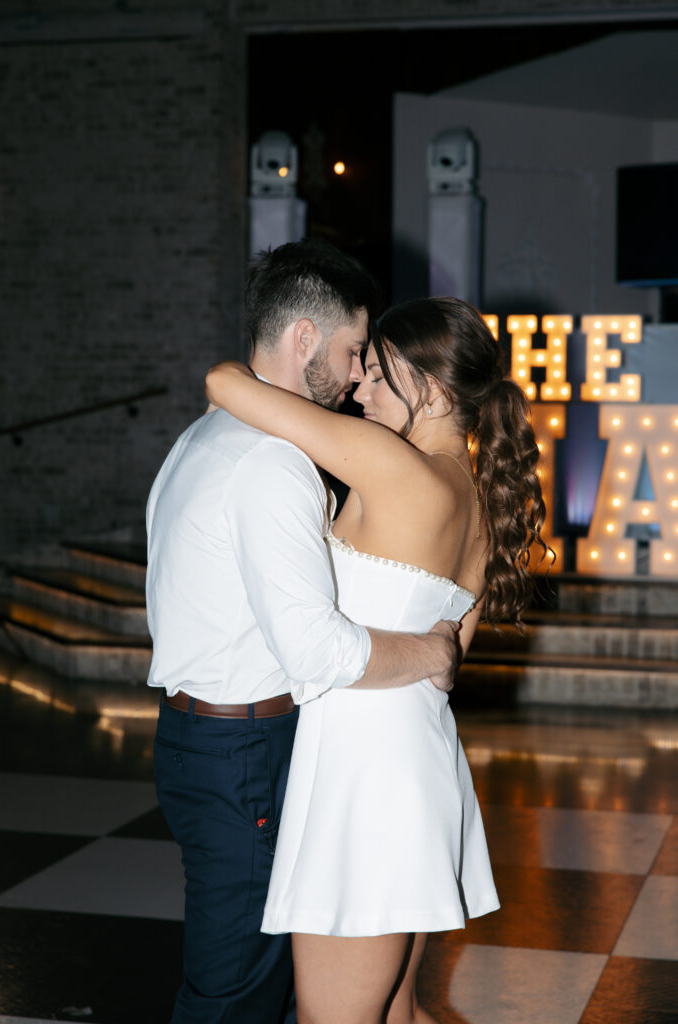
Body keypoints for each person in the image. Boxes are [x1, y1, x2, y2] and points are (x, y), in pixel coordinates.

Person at [205, 294, 549, 1024]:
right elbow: (449, 657)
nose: (358, 385)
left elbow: (224, 383)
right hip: (416, 765)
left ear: (426, 387)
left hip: (361, 778)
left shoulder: (392, 465)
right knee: (395, 1011)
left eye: (376, 370)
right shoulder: (482, 504)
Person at [145, 240, 463, 1024]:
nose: (358, 374)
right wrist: (428, 650)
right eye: (355, 352)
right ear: (303, 341)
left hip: (203, 741)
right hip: (241, 754)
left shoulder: (203, 436)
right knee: (233, 997)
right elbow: (318, 650)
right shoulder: (272, 462)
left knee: (253, 986)